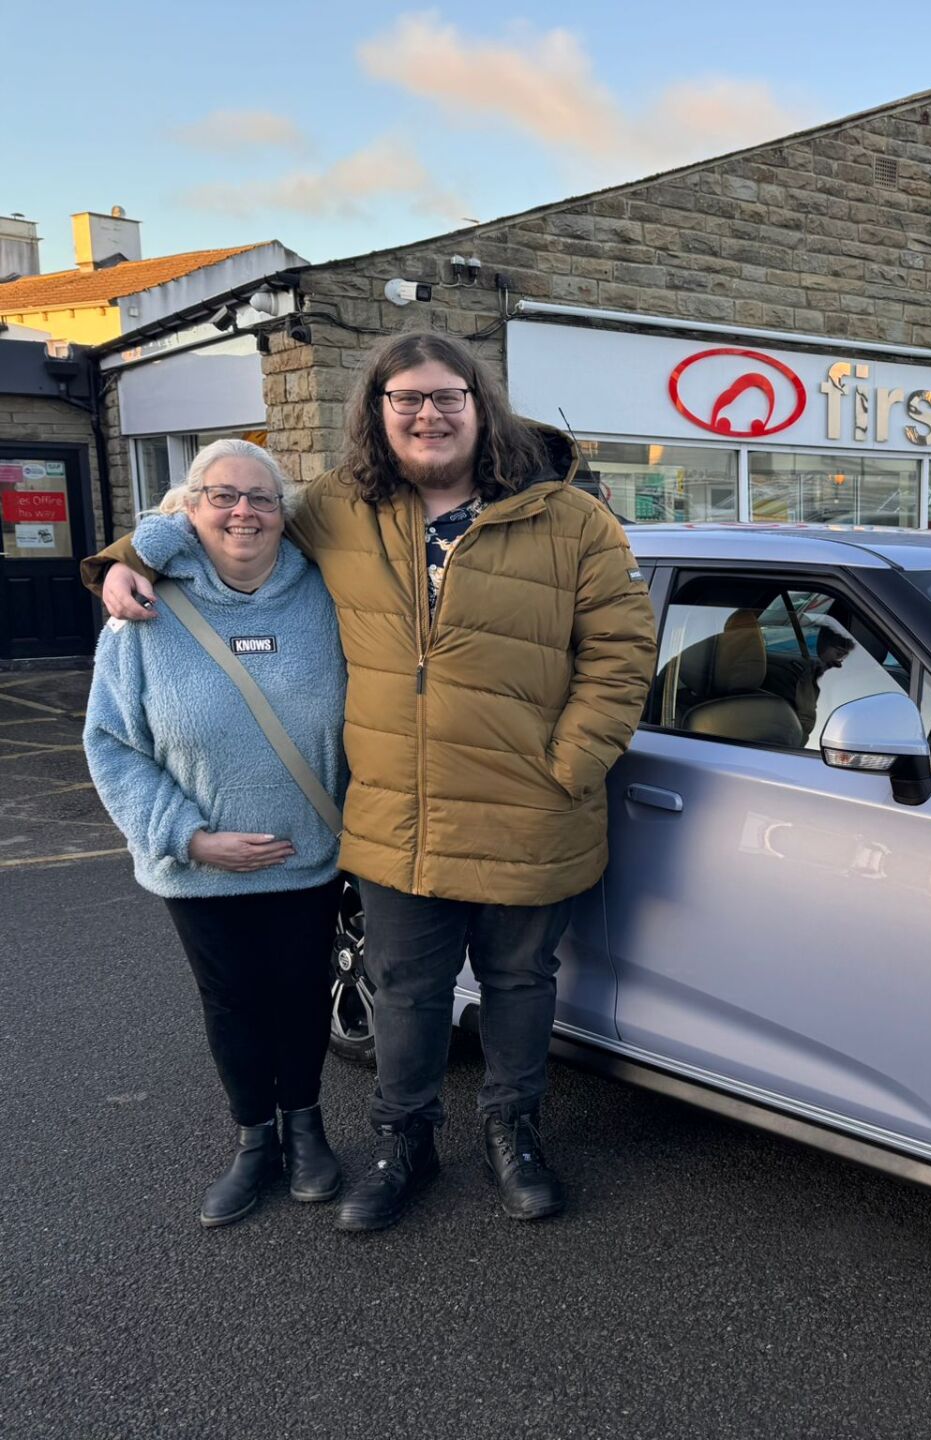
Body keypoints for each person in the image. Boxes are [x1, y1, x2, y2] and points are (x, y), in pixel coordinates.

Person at [90, 333, 656, 1232]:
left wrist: (568, 767)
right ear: (378, 415)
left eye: (446, 398)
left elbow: (623, 656)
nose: (427, 415)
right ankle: (405, 1141)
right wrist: (134, 552)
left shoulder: (573, 519)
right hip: (397, 817)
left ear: (481, 406)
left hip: (533, 810)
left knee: (519, 984)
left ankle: (515, 1133)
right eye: (405, 400)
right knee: (404, 990)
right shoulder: (341, 508)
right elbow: (229, 504)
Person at [83, 440, 348, 1228]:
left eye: (261, 498)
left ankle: (307, 1131)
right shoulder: (142, 611)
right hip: (198, 867)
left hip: (308, 854)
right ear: (187, 510)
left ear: (283, 511)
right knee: (231, 1001)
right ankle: (254, 1142)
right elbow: (110, 743)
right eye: (222, 497)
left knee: (302, 996)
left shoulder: (325, 594)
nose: (243, 512)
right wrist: (189, 838)